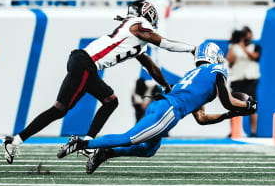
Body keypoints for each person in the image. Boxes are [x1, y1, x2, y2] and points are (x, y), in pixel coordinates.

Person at [3, 0, 196, 164]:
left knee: (108, 101)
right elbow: (165, 44)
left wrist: (166, 86)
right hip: (85, 63)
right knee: (61, 108)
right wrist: (192, 49)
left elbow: (152, 68)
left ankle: (83, 142)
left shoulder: (136, 40)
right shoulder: (137, 24)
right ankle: (17, 141)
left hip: (85, 64)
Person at [56, 42, 257, 174]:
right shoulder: (216, 70)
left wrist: (229, 114)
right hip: (168, 111)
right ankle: (81, 144)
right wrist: (245, 105)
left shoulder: (195, 75)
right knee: (129, 138)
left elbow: (201, 117)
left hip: (160, 106)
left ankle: (105, 154)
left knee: (148, 150)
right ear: (216, 57)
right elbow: (228, 100)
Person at [226, 27, 261, 137]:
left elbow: (255, 57)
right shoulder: (234, 47)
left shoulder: (255, 47)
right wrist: (233, 45)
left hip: (250, 80)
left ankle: (253, 131)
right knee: (234, 106)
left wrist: (243, 47)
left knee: (252, 106)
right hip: (237, 80)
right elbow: (229, 61)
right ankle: (234, 131)